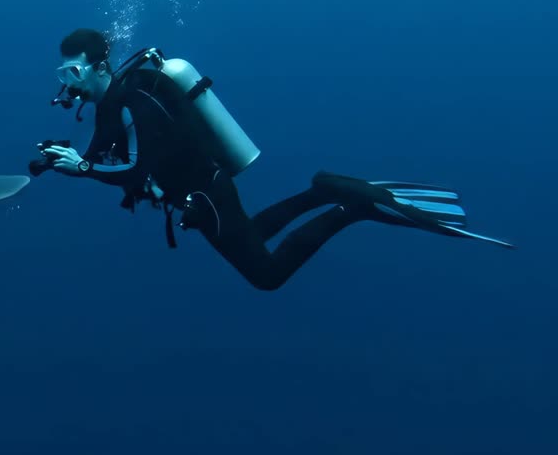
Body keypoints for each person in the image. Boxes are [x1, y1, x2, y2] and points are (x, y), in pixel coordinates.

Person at [31, 28, 513, 291]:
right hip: (207, 189)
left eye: (72, 71)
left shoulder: (131, 102)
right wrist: (64, 160)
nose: (66, 83)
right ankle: (321, 190)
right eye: (61, 72)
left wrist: (84, 168)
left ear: (98, 66)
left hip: (204, 195)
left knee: (266, 276)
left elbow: (135, 169)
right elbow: (106, 155)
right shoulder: (112, 105)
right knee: (253, 234)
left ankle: (351, 208)